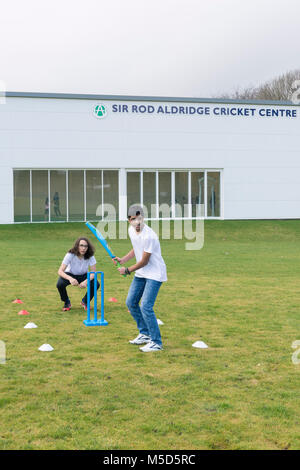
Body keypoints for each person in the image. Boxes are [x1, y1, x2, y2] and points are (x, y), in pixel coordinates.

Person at [113, 205, 167, 352]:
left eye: (139, 219)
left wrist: (127, 270)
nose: (136, 222)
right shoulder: (131, 230)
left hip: (155, 273)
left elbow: (144, 260)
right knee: (131, 302)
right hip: (142, 273)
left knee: (146, 306)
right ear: (129, 221)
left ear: (143, 218)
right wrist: (123, 259)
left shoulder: (149, 235)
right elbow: (136, 248)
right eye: (132, 219)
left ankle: (156, 342)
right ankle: (145, 333)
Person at [56, 237, 99, 312]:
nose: (83, 248)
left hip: (84, 275)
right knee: (60, 284)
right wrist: (70, 279)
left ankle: (85, 301)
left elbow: (93, 273)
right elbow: (60, 271)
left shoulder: (90, 255)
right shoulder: (70, 254)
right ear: (77, 246)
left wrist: (86, 281)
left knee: (96, 284)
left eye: (86, 246)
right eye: (81, 245)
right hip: (70, 274)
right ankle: (66, 302)